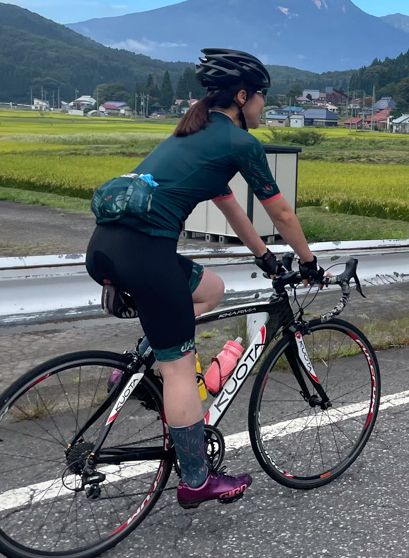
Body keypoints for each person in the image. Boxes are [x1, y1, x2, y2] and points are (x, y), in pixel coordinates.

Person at [85, 48, 322, 508]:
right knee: (179, 368)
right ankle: (196, 481)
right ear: (241, 96)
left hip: (105, 248)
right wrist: (308, 261)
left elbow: (233, 211)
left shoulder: (192, 136)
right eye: (261, 98)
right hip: (146, 256)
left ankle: (131, 372)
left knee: (211, 290)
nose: (263, 107)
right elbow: (283, 212)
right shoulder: (239, 143)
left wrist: (266, 257)